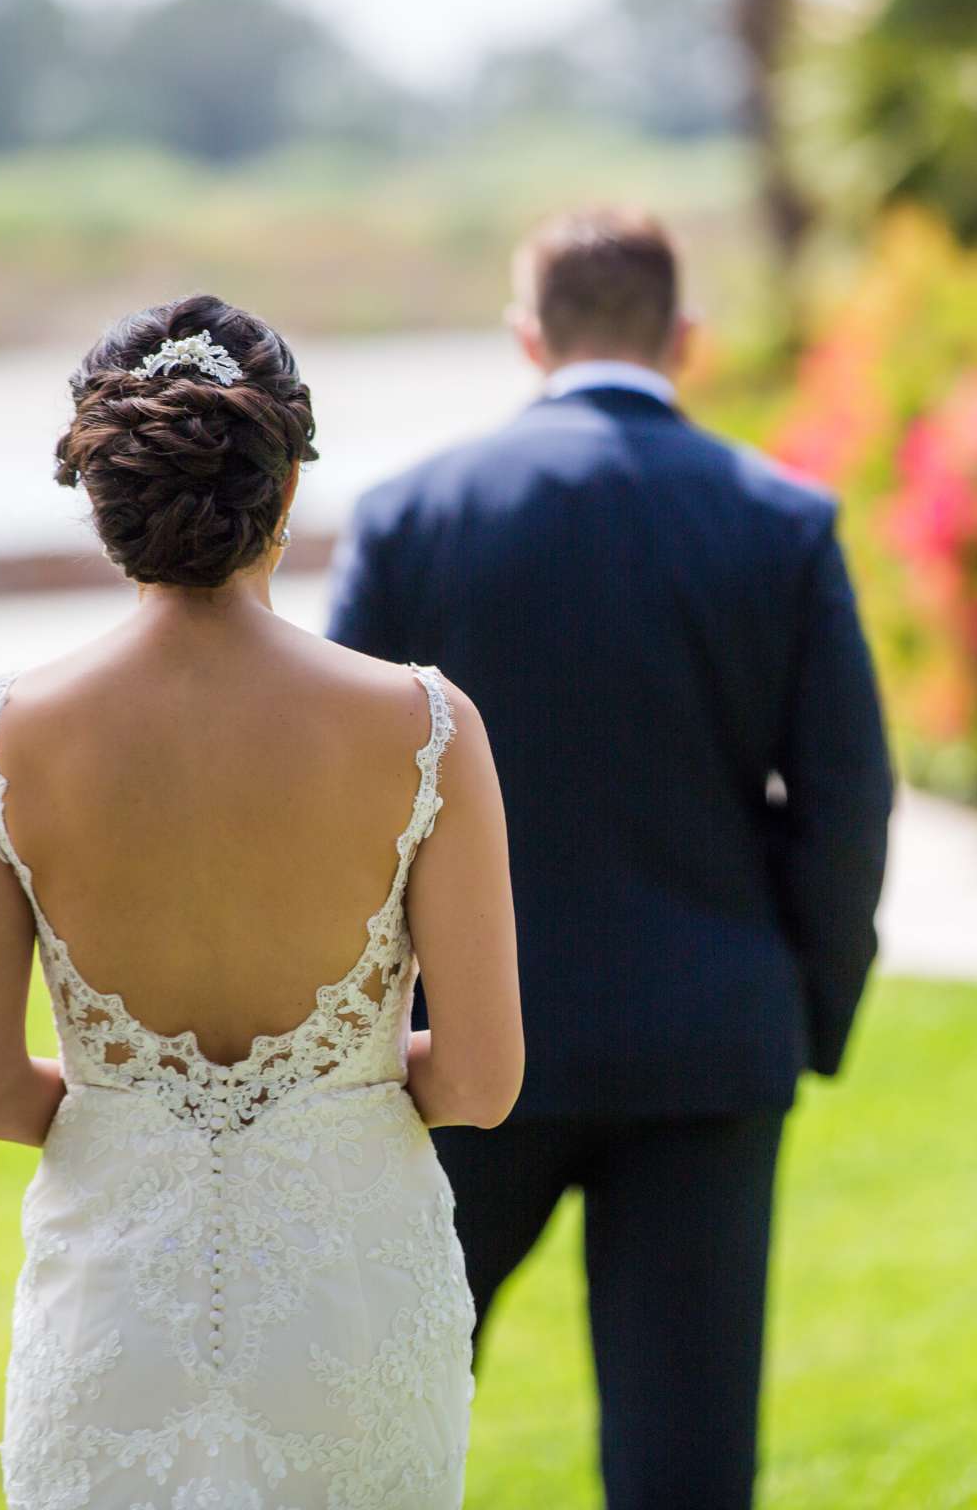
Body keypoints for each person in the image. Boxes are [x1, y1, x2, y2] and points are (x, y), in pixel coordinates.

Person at [326, 208, 895, 1510]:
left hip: (452, 1055)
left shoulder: (416, 516)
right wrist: (806, 1009)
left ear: (529, 338)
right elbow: (849, 802)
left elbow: (340, 791)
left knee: (369, 1434)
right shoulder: (783, 522)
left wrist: (356, 1031)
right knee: (686, 1468)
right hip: (710, 1046)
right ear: (685, 339)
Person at [0, 294, 524, 1510]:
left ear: (105, 501)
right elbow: (480, 1080)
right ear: (286, 492)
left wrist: (143, 1114)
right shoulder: (425, 728)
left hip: (114, 1312)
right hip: (356, 1309)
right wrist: (330, 1092)